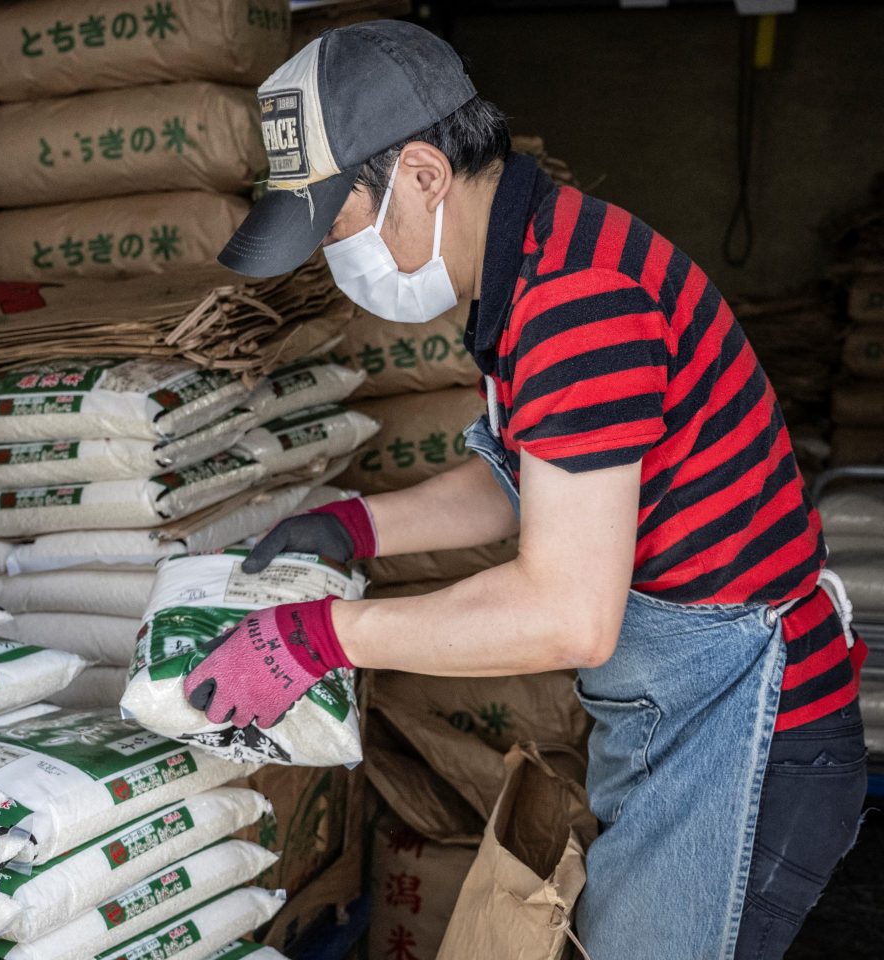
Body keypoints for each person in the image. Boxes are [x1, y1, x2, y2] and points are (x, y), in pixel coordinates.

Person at [190, 20, 868, 960]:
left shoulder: (578, 298)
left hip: (748, 738)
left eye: (337, 226)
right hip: (684, 720)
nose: (335, 260)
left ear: (423, 174)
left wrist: (321, 638)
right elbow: (543, 480)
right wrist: (357, 525)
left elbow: (566, 614)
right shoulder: (535, 265)